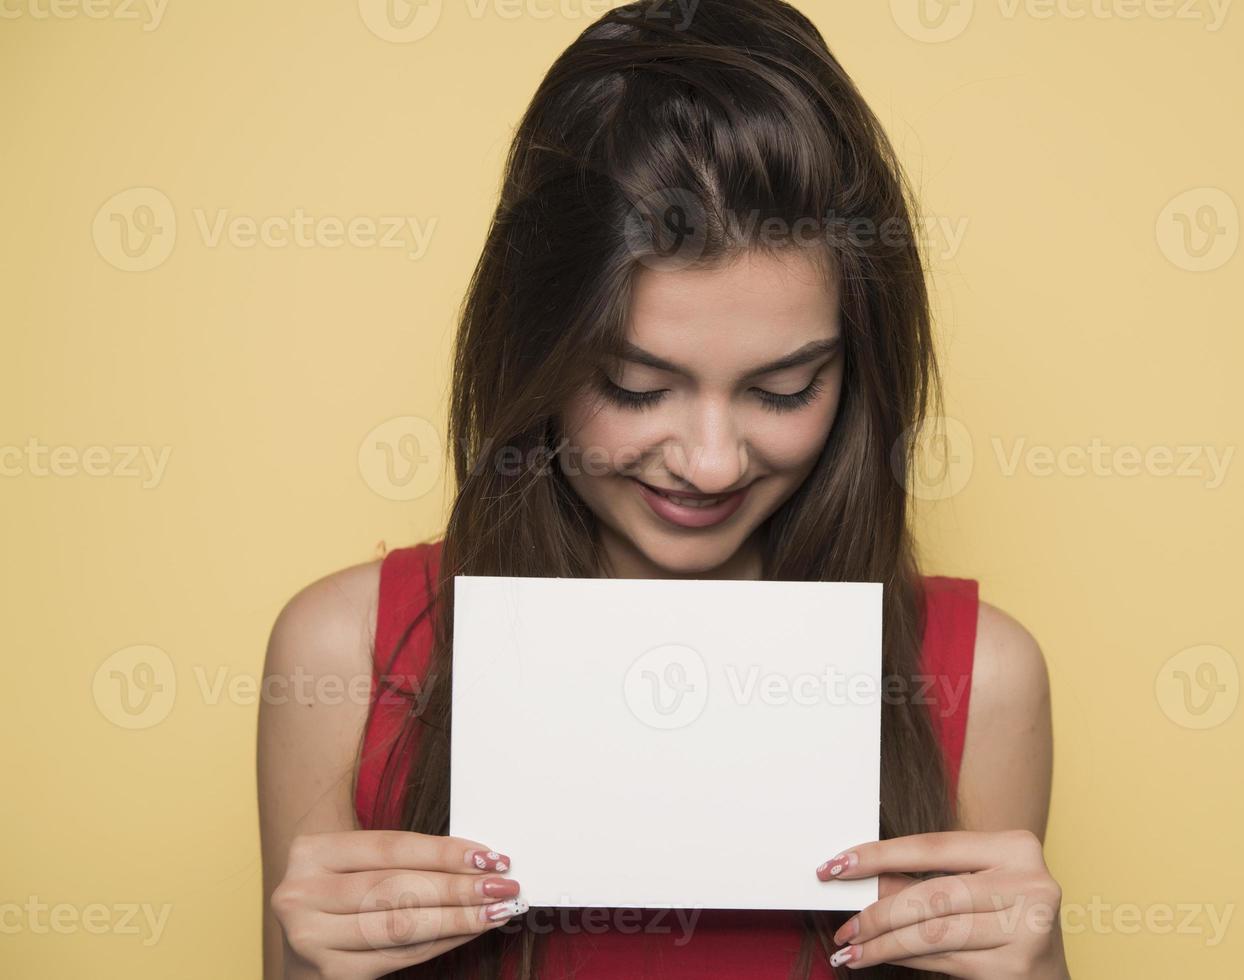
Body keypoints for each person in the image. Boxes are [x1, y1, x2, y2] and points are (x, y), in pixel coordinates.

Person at [257, 1, 1068, 976]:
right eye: (635, 386)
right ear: (538, 353)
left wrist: (1039, 963)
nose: (713, 461)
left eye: (784, 386)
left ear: (856, 374)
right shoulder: (344, 652)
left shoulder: (981, 677)